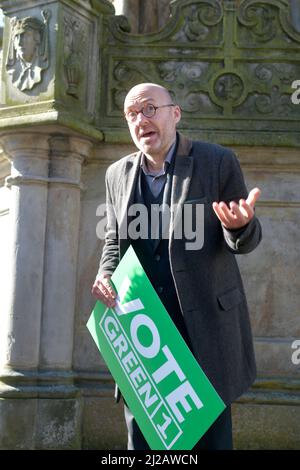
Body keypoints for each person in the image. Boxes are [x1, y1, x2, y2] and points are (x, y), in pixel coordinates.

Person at [92, 82, 262, 450]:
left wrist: (239, 226)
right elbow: (112, 241)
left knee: (209, 441)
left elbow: (245, 238)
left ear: (175, 113)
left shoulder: (217, 161)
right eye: (132, 114)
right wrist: (105, 274)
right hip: (143, 333)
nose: (141, 120)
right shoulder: (116, 174)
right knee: (143, 441)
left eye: (150, 109)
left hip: (203, 332)